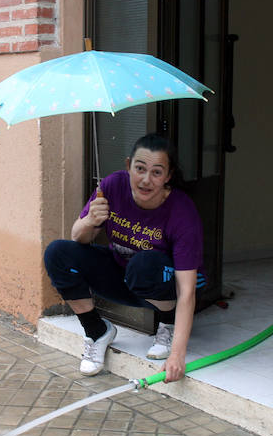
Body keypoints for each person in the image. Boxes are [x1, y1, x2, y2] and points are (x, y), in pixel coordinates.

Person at [44, 133, 206, 382]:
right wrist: (90, 221)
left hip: (164, 285)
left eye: (156, 172)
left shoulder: (182, 212)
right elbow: (77, 238)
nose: (145, 180)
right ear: (128, 165)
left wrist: (177, 354)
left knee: (145, 265)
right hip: (124, 276)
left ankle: (167, 324)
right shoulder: (111, 186)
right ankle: (96, 330)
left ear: (168, 176)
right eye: (140, 168)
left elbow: (187, 291)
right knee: (57, 253)